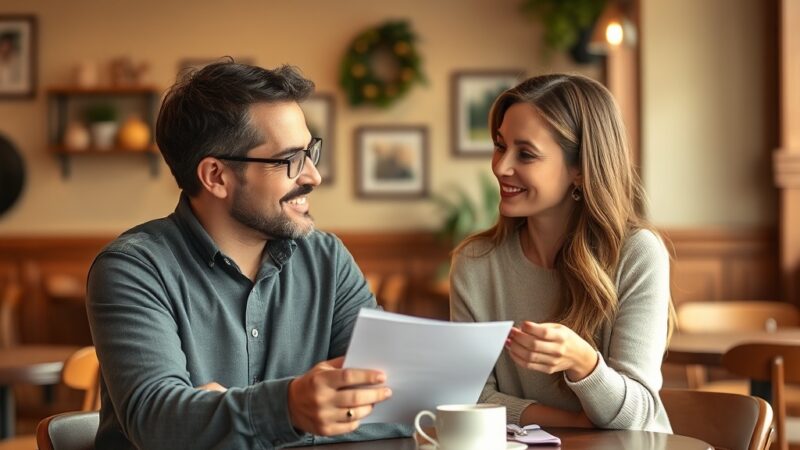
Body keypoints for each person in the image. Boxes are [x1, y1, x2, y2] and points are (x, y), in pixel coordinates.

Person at [86, 61, 409, 449]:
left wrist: (220, 413)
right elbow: (159, 426)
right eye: (290, 159)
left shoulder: (328, 260)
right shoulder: (132, 269)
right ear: (216, 176)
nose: (312, 176)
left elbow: (397, 405)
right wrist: (290, 409)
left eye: (310, 153)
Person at [449, 74, 673, 433]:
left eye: (525, 153)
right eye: (499, 145)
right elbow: (471, 397)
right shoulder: (475, 263)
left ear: (581, 170)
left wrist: (581, 361)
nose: (501, 167)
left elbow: (639, 415)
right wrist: (572, 421)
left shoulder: (638, 253)